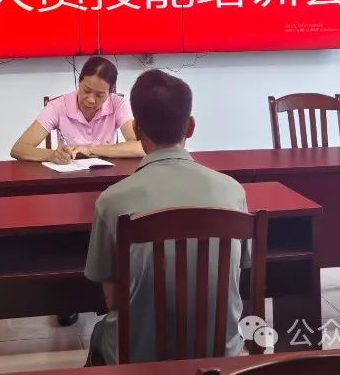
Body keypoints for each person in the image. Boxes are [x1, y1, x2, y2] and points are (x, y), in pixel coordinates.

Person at [83, 69, 249, 365]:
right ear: (191, 126)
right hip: (221, 357)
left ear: (136, 129)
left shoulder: (111, 201)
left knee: (101, 332)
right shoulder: (232, 192)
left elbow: (113, 299)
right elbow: (240, 275)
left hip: (141, 359)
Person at [9, 56, 143, 164]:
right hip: (69, 177)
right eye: (86, 91)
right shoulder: (58, 106)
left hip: (108, 177)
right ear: (79, 82)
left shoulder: (118, 104)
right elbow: (19, 149)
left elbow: (140, 147)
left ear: (111, 91)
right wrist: (52, 155)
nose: (91, 100)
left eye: (100, 95)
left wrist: (90, 150)